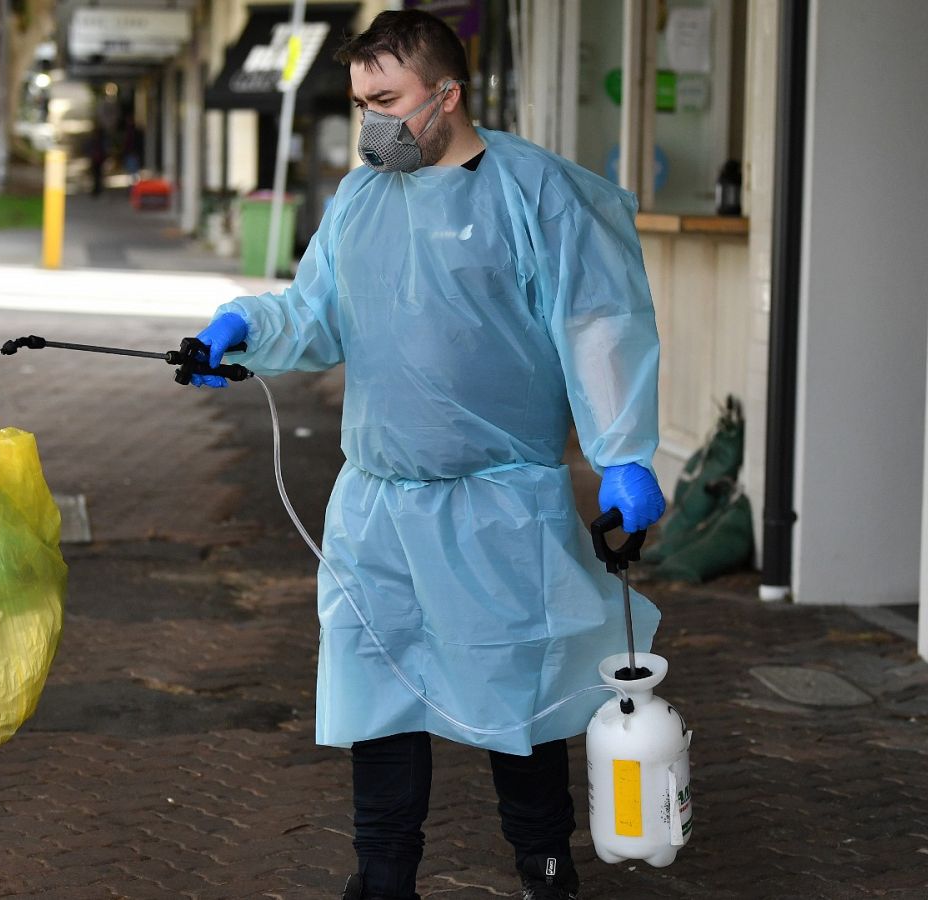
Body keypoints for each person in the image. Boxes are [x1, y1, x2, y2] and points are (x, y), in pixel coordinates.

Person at [186, 11, 666, 900]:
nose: (369, 123)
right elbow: (317, 313)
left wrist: (624, 454)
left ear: (447, 95)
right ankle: (381, 879)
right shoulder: (364, 196)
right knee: (380, 695)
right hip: (377, 505)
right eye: (359, 100)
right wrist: (242, 330)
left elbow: (600, 324)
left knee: (518, 700)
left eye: (386, 101)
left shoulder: (537, 195)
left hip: (500, 505)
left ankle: (545, 867)